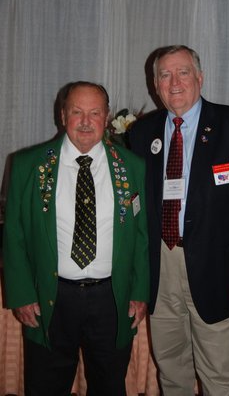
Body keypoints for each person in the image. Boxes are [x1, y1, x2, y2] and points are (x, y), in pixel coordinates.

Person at [129, 45, 229, 396]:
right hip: (160, 267)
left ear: (200, 77)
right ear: (155, 84)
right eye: (165, 75)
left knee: (221, 373)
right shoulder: (140, 133)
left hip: (218, 268)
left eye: (182, 72)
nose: (174, 81)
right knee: (171, 366)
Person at [3, 81, 149, 396]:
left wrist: (139, 292)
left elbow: (141, 236)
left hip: (111, 299)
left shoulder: (132, 167)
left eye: (95, 113)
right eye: (77, 112)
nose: (85, 121)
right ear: (62, 115)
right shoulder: (28, 165)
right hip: (51, 298)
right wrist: (22, 293)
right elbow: (13, 234)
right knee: (45, 386)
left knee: (109, 386)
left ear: (107, 116)